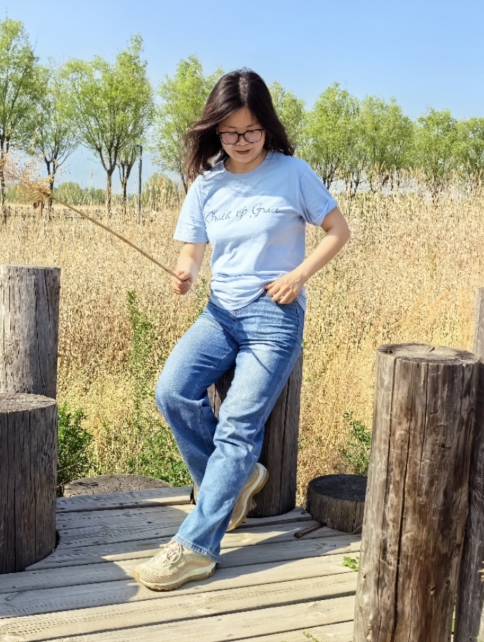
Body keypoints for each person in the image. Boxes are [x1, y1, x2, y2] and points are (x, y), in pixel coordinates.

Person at [133, 69, 351, 591]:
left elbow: (337, 231)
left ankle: (195, 547)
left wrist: (298, 276)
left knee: (237, 426)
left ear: (267, 127)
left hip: (273, 316)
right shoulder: (207, 185)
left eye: (251, 130)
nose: (242, 141)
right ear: (215, 131)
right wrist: (185, 272)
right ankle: (236, 478)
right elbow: (192, 252)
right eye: (230, 132)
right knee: (171, 392)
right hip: (219, 313)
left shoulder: (292, 173)